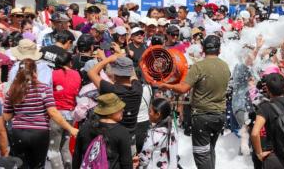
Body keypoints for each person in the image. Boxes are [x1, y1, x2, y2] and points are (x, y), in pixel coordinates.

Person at [155, 35, 231, 169]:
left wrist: (167, 86)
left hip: (203, 117)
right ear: (219, 50)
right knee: (209, 150)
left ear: (203, 49)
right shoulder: (225, 66)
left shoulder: (199, 66)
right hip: (220, 116)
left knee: (202, 154)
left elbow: (183, 89)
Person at [3, 59, 78, 168]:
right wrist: (70, 129)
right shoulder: (44, 89)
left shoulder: (13, 90)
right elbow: (53, 112)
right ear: (34, 72)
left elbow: (7, 116)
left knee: (21, 165)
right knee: (37, 166)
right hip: (39, 133)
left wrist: (21, 109)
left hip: (18, 133)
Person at [88, 54, 143, 154]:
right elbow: (133, 75)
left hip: (112, 138)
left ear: (115, 74)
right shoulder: (138, 88)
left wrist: (108, 59)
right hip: (131, 138)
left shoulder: (111, 89)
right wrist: (125, 59)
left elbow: (91, 72)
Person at [73, 93, 133, 169]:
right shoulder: (122, 132)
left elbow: (77, 157)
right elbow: (126, 163)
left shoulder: (84, 127)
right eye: (120, 108)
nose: (123, 110)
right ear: (110, 112)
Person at [48, 51, 81, 169]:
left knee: (53, 149)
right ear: (70, 62)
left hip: (56, 114)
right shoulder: (77, 74)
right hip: (70, 114)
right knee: (65, 148)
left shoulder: (53, 74)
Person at [139, 98, 178, 169]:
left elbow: (144, 159)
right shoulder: (172, 129)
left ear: (158, 114)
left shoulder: (153, 134)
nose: (148, 113)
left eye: (150, 111)